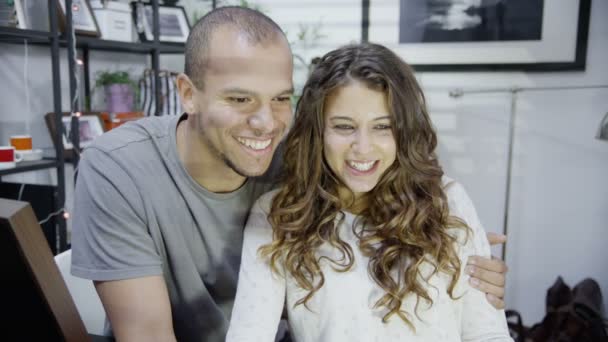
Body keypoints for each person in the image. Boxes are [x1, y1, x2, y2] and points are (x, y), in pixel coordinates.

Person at [70, 7, 509, 342]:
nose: (265, 124)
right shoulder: (121, 167)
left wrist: (448, 241)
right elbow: (147, 335)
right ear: (188, 94)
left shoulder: (299, 161)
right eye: (240, 99)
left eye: (280, 99)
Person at [226, 43, 512, 341]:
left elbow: (488, 334)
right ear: (318, 131)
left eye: (383, 127)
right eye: (344, 126)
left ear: (405, 131)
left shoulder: (448, 201)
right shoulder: (278, 215)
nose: (363, 147)